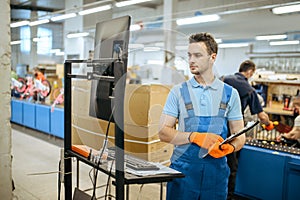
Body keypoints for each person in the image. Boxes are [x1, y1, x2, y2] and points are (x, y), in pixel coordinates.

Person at [159, 32, 245, 200]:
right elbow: (163, 132)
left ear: (213, 57)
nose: (191, 60)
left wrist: (231, 147)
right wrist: (194, 137)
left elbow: (240, 136)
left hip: (216, 176)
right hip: (183, 174)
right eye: (189, 55)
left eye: (198, 55)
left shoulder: (230, 94)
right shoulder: (178, 92)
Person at [223, 60, 274, 199]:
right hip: (232, 131)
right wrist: (269, 124)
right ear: (250, 72)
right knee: (232, 167)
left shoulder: (225, 79)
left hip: (214, 128)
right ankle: (229, 196)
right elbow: (262, 116)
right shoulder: (249, 89)